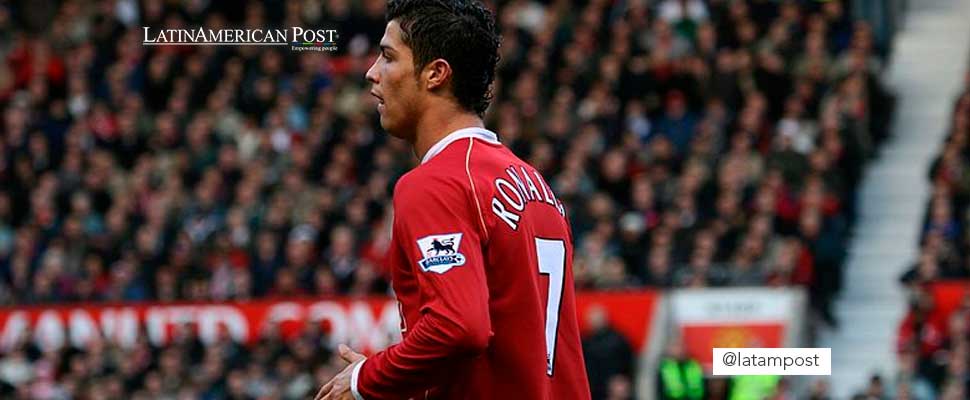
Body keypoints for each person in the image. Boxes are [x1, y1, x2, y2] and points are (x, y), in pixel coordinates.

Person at [314, 1, 591, 399]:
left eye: (388, 57)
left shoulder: (436, 183)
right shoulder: (535, 185)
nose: (371, 72)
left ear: (435, 74)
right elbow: (509, 359)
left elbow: (460, 327)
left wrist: (363, 380)